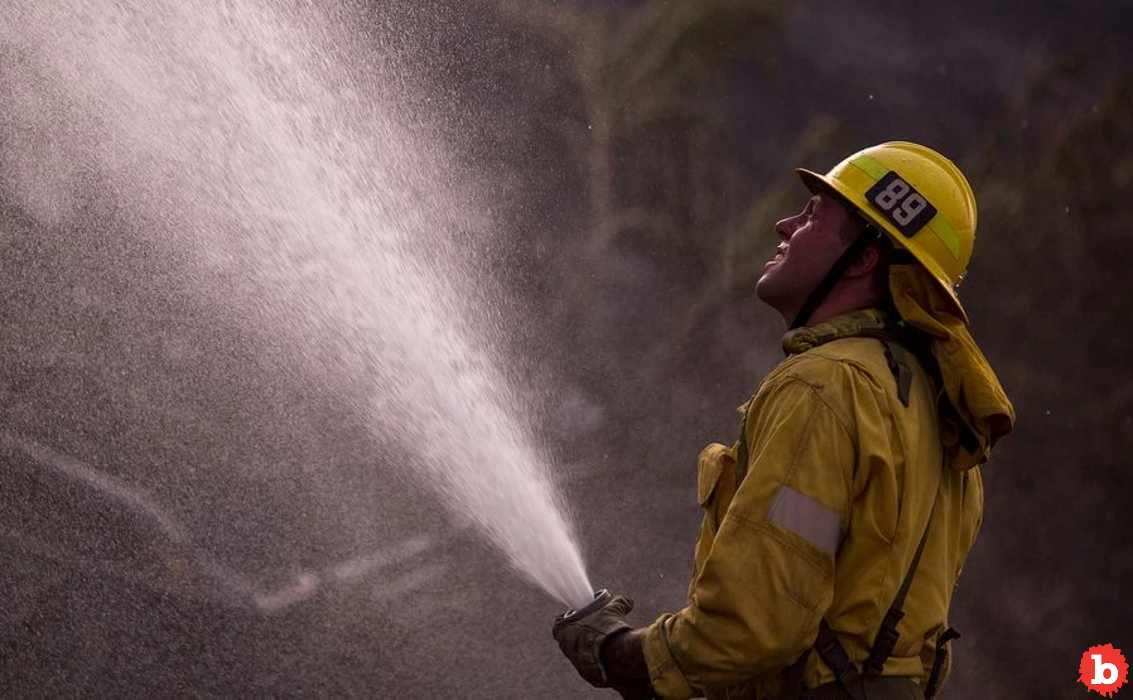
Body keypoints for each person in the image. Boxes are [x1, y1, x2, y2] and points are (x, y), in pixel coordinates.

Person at [552, 142, 1015, 699]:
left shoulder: (823, 389)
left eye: (816, 215)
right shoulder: (936, 417)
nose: (784, 223)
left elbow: (759, 620)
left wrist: (625, 655)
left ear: (866, 257)